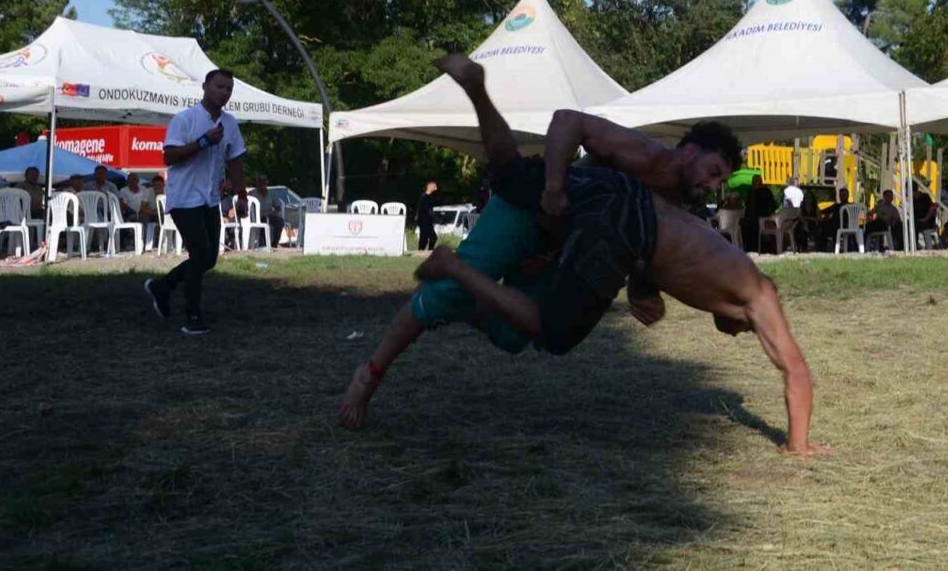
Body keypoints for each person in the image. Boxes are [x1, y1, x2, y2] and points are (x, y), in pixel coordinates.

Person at [341, 55, 823, 455]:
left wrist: (638, 285)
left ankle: (477, 96)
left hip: (571, 232)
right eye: (714, 171)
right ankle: (372, 373)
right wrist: (552, 185)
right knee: (467, 295)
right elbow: (567, 122)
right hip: (547, 209)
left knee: (513, 332)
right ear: (690, 150)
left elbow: (662, 255)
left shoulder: (684, 208)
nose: (713, 186)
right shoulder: (645, 156)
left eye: (720, 181)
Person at [143, 68, 247, 336]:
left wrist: (241, 195)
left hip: (209, 198)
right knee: (200, 253)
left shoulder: (230, 123)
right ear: (205, 87)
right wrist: (202, 142)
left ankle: (163, 287)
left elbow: (235, 160)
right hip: (184, 197)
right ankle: (193, 315)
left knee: (209, 258)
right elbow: (169, 157)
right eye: (219, 87)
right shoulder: (185, 119)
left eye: (228, 89)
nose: (224, 93)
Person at [740, 174, 777, 252]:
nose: (756, 182)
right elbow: (748, 205)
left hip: (763, 217)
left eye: (758, 180)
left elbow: (771, 205)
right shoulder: (750, 191)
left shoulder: (766, 191)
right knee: (744, 225)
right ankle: (748, 248)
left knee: (754, 225)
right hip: (751, 217)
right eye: (755, 181)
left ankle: (758, 248)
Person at [252, 175, 285, 248]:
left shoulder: (271, 194)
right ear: (257, 182)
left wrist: (275, 211)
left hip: (269, 215)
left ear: (267, 182)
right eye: (260, 181)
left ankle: (274, 243)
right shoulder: (252, 193)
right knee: (265, 221)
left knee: (280, 221)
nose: (262, 183)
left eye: (264, 181)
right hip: (256, 216)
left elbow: (278, 206)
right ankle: (263, 243)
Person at [415, 181, 439, 251]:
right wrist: (435, 217)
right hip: (423, 220)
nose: (436, 189)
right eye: (435, 187)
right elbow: (426, 209)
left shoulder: (430, 197)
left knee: (433, 237)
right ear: (430, 187)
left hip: (428, 221)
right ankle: (421, 250)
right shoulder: (424, 197)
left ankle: (430, 250)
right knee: (424, 237)